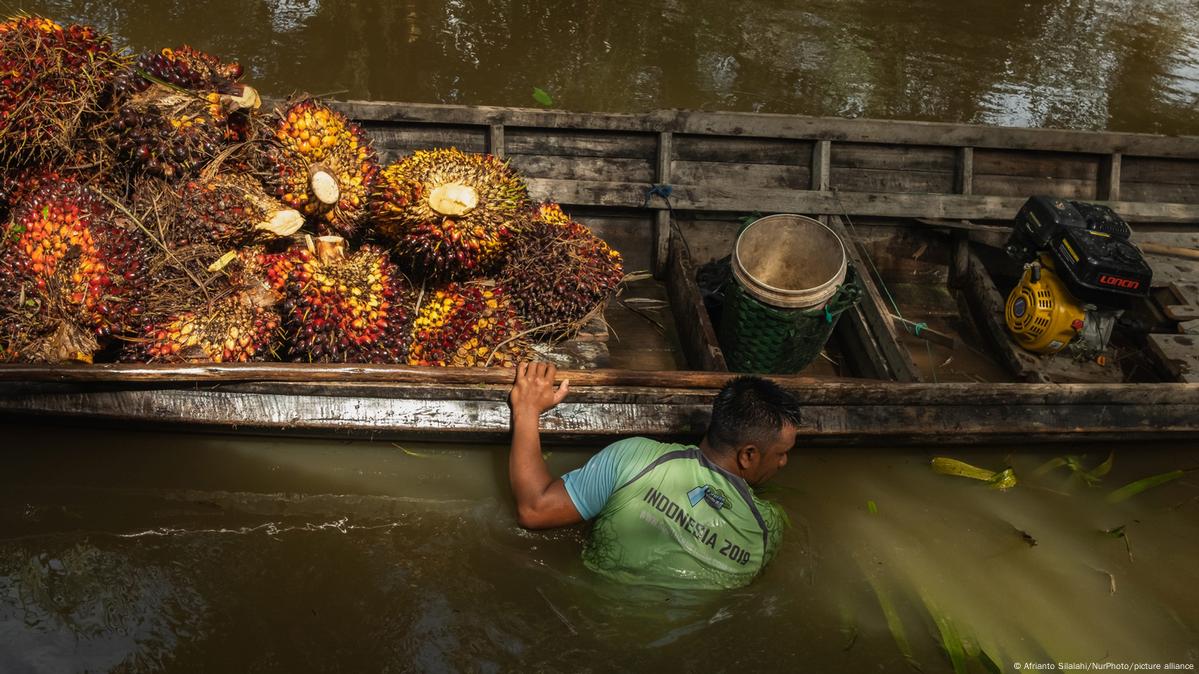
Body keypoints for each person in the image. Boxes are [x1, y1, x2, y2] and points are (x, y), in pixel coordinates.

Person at [507, 361, 800, 590]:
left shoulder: (636, 457)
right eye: (782, 453)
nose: (785, 462)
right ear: (748, 455)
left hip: (582, 616)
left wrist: (527, 409)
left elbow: (534, 510)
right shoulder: (767, 530)